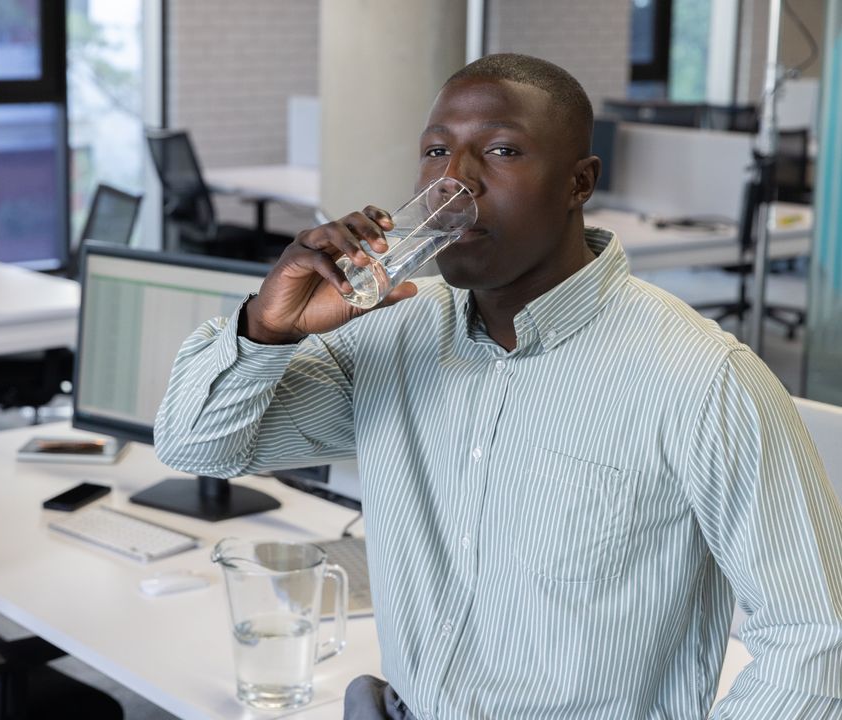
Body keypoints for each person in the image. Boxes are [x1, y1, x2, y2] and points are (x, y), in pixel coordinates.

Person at [155, 54, 842, 718]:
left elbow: (817, 643)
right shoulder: (389, 334)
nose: (453, 182)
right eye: (434, 151)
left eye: (503, 151)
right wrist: (268, 330)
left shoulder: (702, 381)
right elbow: (200, 447)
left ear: (580, 182)